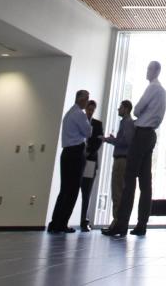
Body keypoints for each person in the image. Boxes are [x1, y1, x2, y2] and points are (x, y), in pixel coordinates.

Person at [102, 61, 166, 238]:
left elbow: (137, 110)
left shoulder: (152, 88)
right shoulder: (163, 91)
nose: (147, 71)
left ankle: (121, 225)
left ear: (156, 71)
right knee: (146, 182)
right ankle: (141, 224)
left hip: (142, 134)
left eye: (149, 69)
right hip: (151, 135)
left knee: (129, 180)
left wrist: (140, 112)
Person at [47, 88, 92, 234]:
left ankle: (55, 222)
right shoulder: (79, 114)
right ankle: (62, 223)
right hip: (76, 153)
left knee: (64, 189)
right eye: (86, 99)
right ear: (81, 99)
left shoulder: (68, 114)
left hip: (66, 153)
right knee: (72, 190)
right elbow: (88, 132)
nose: (87, 102)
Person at [103, 99, 135, 223]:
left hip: (121, 160)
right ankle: (119, 221)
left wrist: (110, 140)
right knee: (120, 190)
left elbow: (126, 141)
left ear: (126, 109)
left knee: (117, 191)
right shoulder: (127, 123)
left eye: (120, 107)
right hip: (123, 160)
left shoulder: (126, 123)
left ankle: (117, 221)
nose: (118, 109)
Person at [78, 98, 104, 231]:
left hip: (90, 160)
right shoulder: (79, 121)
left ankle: (84, 220)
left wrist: (89, 152)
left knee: (86, 191)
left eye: (92, 110)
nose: (90, 112)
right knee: (73, 190)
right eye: (89, 109)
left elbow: (99, 141)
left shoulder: (97, 124)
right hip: (78, 159)